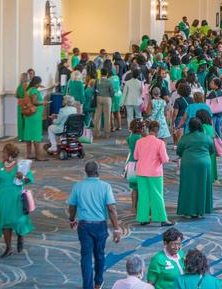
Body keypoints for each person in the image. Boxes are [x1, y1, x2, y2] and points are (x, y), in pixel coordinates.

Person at [68, 161, 122, 289]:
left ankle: (87, 286)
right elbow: (111, 209)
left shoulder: (78, 186)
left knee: (86, 257)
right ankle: (98, 283)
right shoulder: (105, 186)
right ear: (97, 172)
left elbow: (72, 206)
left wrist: (72, 219)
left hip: (84, 226)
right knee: (99, 255)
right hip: (100, 226)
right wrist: (116, 229)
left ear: (86, 172)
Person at [0, 143, 34, 257]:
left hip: (17, 198)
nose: (2, 154)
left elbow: (29, 180)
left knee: (18, 221)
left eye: (4, 152)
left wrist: (23, 177)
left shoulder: (21, 166)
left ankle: (20, 235)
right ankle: (8, 248)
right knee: (5, 223)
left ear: (10, 155)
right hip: (4, 199)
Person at [133, 121, 173, 226]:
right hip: (155, 173)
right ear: (157, 131)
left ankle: (143, 218)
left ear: (149, 129)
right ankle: (162, 219)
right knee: (157, 195)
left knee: (143, 196)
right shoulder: (160, 143)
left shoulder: (139, 141)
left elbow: (136, 157)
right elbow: (165, 160)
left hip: (141, 172)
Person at [176, 118, 215, 218]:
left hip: (188, 163)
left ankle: (188, 212)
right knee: (202, 186)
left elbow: (179, 151)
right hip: (204, 163)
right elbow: (212, 150)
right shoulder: (206, 137)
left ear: (190, 127)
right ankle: (201, 211)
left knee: (188, 186)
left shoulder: (185, 137)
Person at [23, 76, 48, 161]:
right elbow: (35, 102)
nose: (40, 85)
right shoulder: (34, 91)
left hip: (29, 116)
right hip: (35, 116)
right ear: (37, 83)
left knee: (29, 137)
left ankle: (29, 154)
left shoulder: (29, 90)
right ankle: (38, 156)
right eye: (39, 83)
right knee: (36, 137)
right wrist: (43, 102)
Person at [126, 119, 145, 213]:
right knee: (141, 186)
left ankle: (133, 208)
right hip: (140, 163)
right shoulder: (141, 138)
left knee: (134, 188)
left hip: (131, 163)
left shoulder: (130, 137)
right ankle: (141, 207)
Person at [196, 110, 219, 182]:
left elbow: (202, 137)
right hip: (212, 147)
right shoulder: (210, 126)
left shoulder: (202, 127)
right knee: (212, 163)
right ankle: (214, 177)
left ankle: (208, 178)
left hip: (205, 148)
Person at [15, 72, 29, 142]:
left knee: (20, 121)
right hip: (25, 105)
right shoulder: (26, 86)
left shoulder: (19, 86)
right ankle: (26, 136)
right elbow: (27, 96)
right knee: (26, 121)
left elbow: (16, 95)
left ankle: (20, 137)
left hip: (19, 105)